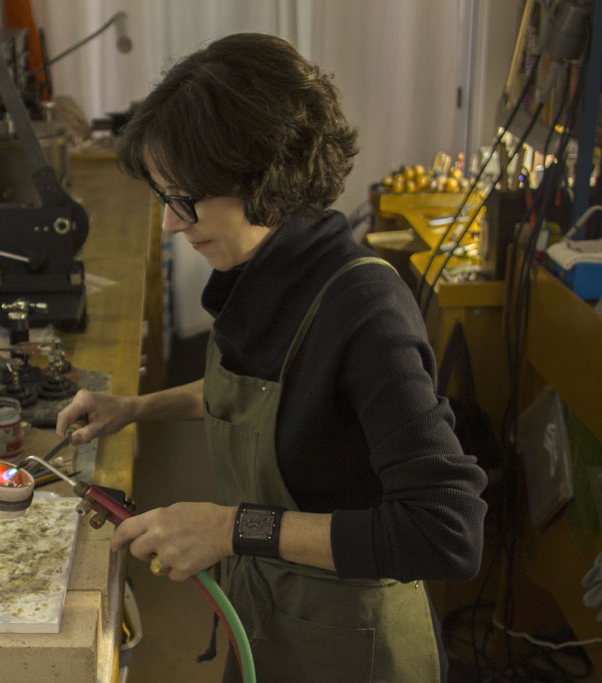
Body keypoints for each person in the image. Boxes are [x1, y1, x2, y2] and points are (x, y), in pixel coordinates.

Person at [56, 33, 488, 682]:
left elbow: (448, 529)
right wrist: (136, 407)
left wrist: (232, 527)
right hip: (267, 616)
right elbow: (272, 402)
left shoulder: (365, 310)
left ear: (259, 177)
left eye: (183, 199)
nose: (172, 224)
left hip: (355, 649)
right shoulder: (266, 273)